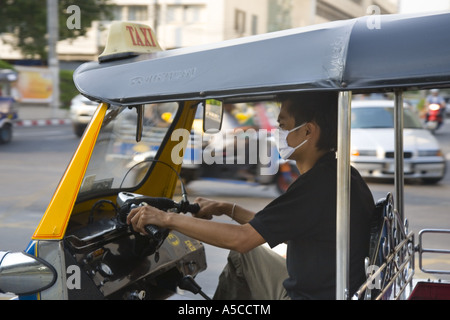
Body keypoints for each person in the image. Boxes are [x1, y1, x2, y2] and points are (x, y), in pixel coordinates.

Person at [127, 91, 375, 300]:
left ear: (308, 131)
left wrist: (166, 219)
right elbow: (278, 226)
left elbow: (242, 240)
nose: (278, 133)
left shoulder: (315, 187)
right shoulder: (339, 174)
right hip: (328, 288)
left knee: (241, 254)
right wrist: (226, 208)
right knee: (246, 256)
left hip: (309, 295)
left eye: (283, 125)